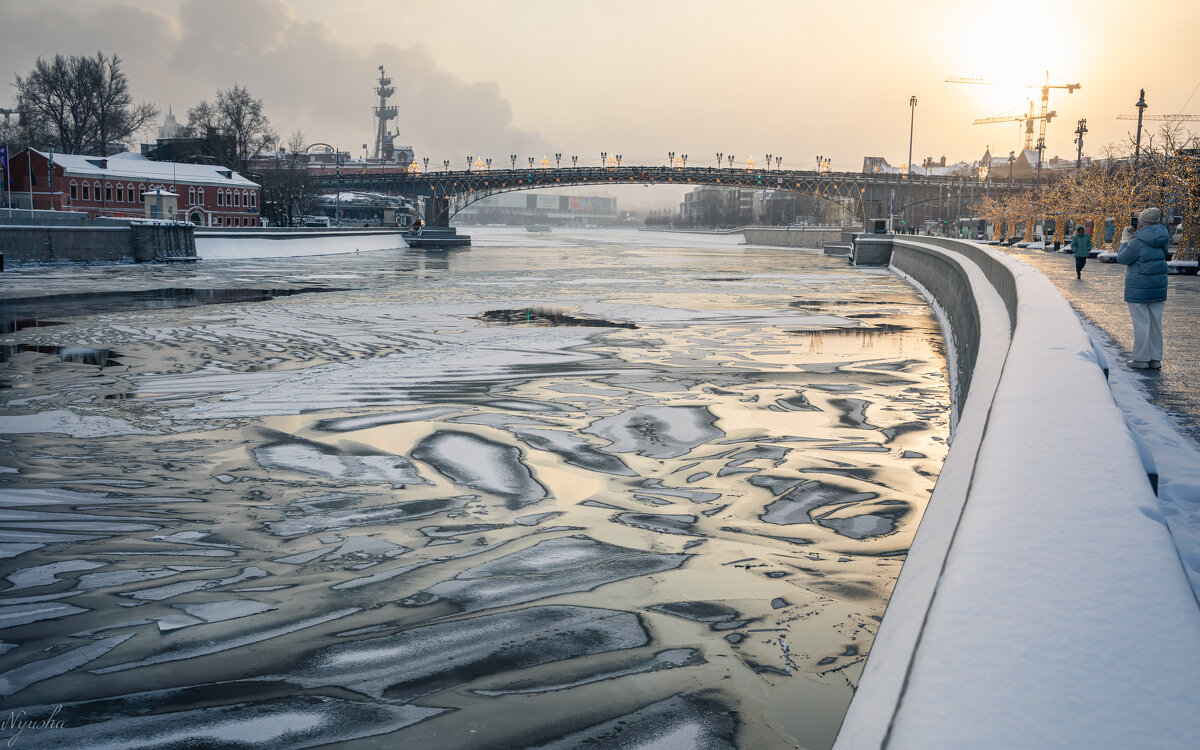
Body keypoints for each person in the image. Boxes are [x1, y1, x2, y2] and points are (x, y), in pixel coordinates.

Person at [1116, 207, 1170, 369]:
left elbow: (1122, 259)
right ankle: (1155, 359)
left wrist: (1125, 240)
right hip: (1158, 287)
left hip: (1138, 288)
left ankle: (1140, 359)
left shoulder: (1137, 242)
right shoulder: (1163, 237)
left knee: (1141, 323)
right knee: (1155, 324)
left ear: (1142, 223)